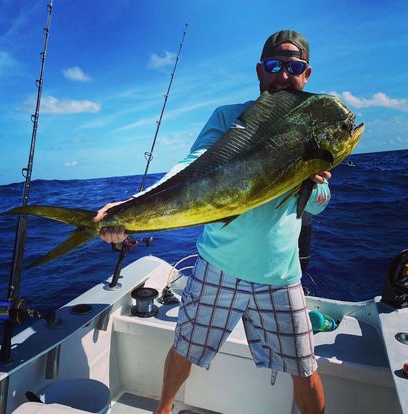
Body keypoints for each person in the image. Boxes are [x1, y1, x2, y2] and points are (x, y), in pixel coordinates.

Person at [95, 30, 330, 414]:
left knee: (304, 369)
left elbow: (318, 205)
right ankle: (164, 410)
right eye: (275, 65)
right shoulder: (227, 117)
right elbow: (192, 167)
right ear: (260, 71)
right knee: (184, 348)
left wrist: (315, 185)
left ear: (306, 74)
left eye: (294, 67)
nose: (283, 75)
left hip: (280, 275)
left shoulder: (313, 130)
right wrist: (133, 204)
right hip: (217, 267)